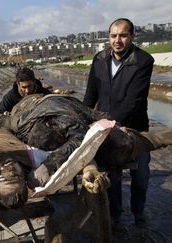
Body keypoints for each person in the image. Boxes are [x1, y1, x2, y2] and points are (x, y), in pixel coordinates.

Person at [0, 93, 172, 187]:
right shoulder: (21, 122)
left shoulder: (80, 129)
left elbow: (80, 139)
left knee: (131, 144)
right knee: (140, 141)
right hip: (42, 107)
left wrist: (48, 166)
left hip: (61, 110)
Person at [83, 18, 155, 229]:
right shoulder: (99, 60)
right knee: (111, 175)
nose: (117, 40)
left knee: (140, 175)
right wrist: (85, 121)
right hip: (106, 129)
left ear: (132, 36)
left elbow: (134, 100)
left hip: (135, 128)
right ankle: (115, 215)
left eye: (123, 35)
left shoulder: (143, 61)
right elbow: (90, 96)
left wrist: (109, 124)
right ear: (109, 37)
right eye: (113, 35)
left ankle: (138, 212)